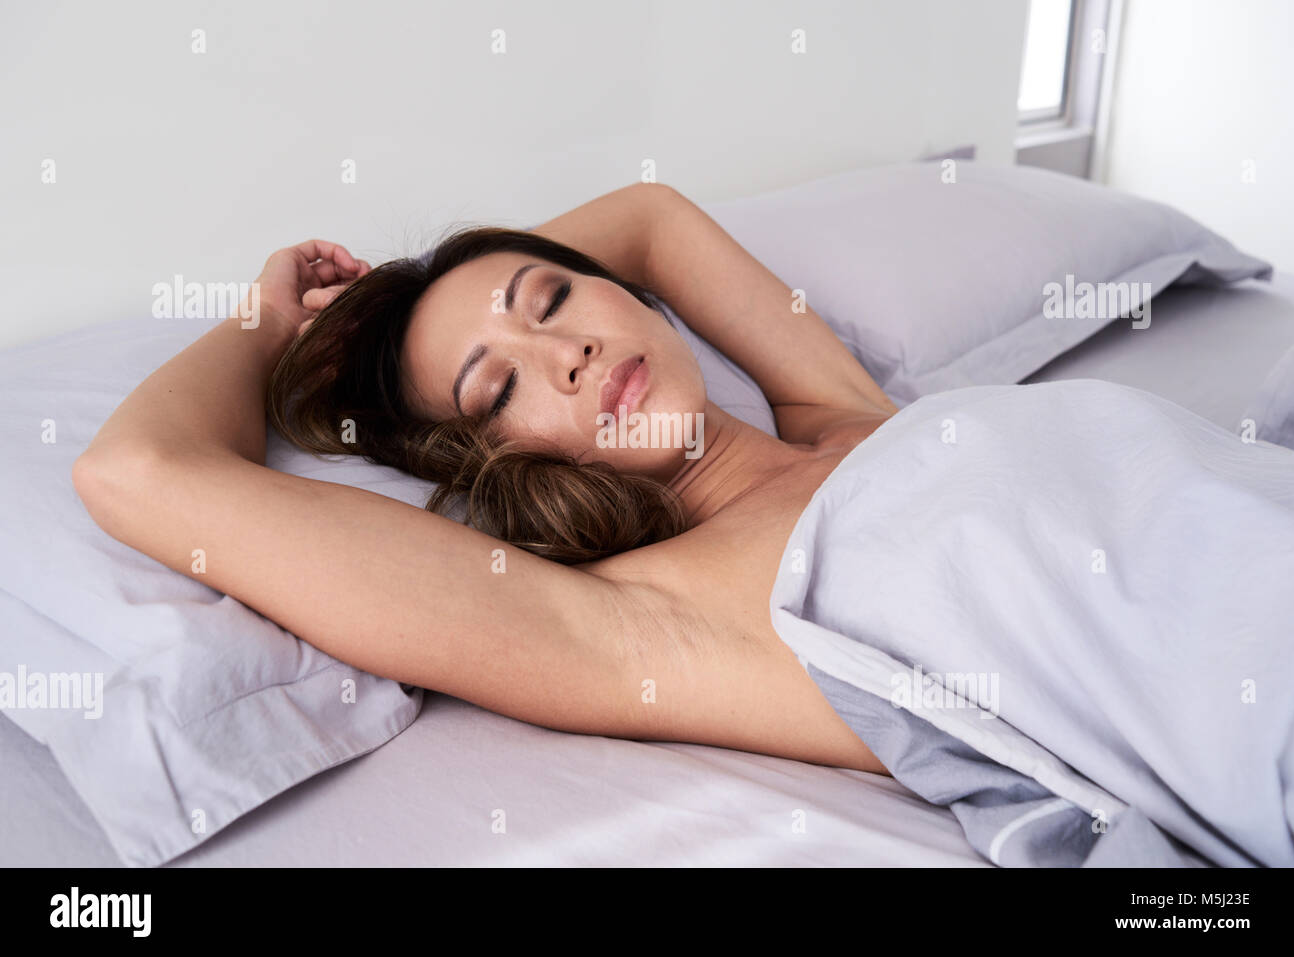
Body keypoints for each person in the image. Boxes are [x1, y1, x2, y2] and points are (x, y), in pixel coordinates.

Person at [72, 182, 898, 776]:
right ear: (493, 464)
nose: (566, 354)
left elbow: (650, 217)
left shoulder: (853, 417)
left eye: (552, 298)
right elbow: (137, 471)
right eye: (499, 388)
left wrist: (397, 296)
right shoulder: (646, 620)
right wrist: (269, 325)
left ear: (633, 296)